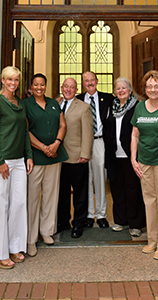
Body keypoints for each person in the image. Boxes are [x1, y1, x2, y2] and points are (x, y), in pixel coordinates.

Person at [0, 66, 34, 269]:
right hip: (1, 163)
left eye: (16, 80)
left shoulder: (20, 103)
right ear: (3, 80)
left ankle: (15, 247)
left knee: (19, 204)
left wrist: (29, 156)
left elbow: (24, 131)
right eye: (9, 80)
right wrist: (0, 161)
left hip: (19, 162)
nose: (13, 83)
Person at [131, 70, 158, 260]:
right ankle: (152, 240)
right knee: (150, 201)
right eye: (149, 86)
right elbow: (134, 134)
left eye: (157, 86)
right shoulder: (140, 107)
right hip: (144, 161)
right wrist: (134, 158)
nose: (153, 89)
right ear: (145, 88)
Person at [24, 73, 68, 256]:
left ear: (46, 86)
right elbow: (25, 131)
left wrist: (56, 143)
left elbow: (63, 125)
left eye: (42, 84)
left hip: (55, 155)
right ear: (31, 87)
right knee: (33, 198)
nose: (39, 87)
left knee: (51, 195)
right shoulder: (25, 104)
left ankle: (46, 232)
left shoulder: (53, 103)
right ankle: (31, 239)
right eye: (36, 84)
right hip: (36, 157)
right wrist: (43, 147)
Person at [104, 77, 146, 237]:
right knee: (117, 188)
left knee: (133, 189)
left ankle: (136, 224)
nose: (121, 91)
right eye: (118, 88)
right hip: (114, 155)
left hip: (131, 155)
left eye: (124, 88)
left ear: (130, 90)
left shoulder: (137, 106)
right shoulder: (112, 106)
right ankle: (121, 221)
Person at [57, 78, 94, 238]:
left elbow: (88, 132)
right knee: (61, 193)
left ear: (76, 90)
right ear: (62, 87)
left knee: (79, 194)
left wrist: (85, 154)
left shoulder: (84, 107)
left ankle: (78, 224)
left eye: (72, 87)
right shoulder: (55, 104)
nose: (68, 90)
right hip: (58, 157)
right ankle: (63, 221)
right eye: (66, 86)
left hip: (77, 157)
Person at [77, 71, 114, 228]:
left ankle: (101, 214)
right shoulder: (77, 99)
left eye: (92, 80)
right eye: (86, 80)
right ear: (83, 83)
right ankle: (89, 215)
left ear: (97, 81)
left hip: (100, 142)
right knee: (86, 178)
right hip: (82, 143)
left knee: (99, 178)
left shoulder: (108, 98)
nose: (90, 83)